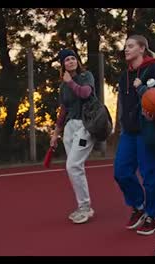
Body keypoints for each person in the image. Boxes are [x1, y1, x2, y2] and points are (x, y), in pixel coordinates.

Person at [114, 35, 155, 235]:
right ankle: (138, 206)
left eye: (130, 46)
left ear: (142, 48)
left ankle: (153, 216)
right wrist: (120, 125)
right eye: (125, 46)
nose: (126, 49)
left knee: (151, 176)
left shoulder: (154, 69)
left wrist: (145, 96)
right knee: (121, 172)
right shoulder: (124, 75)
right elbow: (122, 104)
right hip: (128, 132)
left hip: (149, 131)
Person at [50, 49, 96, 224]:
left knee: (73, 165)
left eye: (72, 58)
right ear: (63, 64)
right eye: (67, 60)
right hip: (70, 127)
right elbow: (63, 111)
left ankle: (84, 207)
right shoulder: (63, 86)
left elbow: (85, 93)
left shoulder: (86, 76)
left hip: (85, 125)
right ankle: (83, 205)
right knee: (76, 167)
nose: (70, 61)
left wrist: (70, 82)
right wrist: (56, 134)